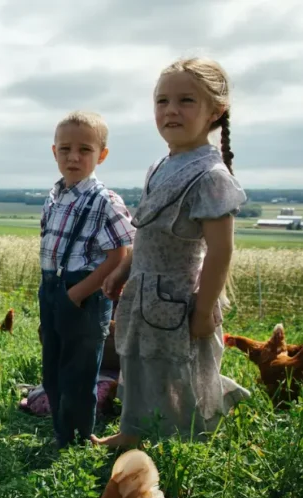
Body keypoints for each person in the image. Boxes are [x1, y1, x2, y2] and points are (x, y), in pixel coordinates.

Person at [92, 57, 251, 448]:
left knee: (180, 371)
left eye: (186, 101)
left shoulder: (211, 176)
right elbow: (146, 231)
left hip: (180, 299)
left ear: (216, 111)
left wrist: (202, 309)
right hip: (144, 295)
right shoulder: (160, 166)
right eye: (162, 101)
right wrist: (124, 268)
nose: (171, 110)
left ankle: (185, 444)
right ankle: (133, 432)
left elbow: (220, 251)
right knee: (141, 366)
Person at [38, 111, 135, 448]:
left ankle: (78, 442)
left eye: (84, 149)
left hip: (84, 295)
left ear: (101, 155)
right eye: (65, 149)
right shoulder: (54, 196)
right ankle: (60, 433)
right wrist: (55, 294)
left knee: (79, 374)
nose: (73, 157)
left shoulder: (104, 202)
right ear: (54, 152)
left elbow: (120, 255)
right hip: (51, 288)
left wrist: (77, 294)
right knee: (53, 366)